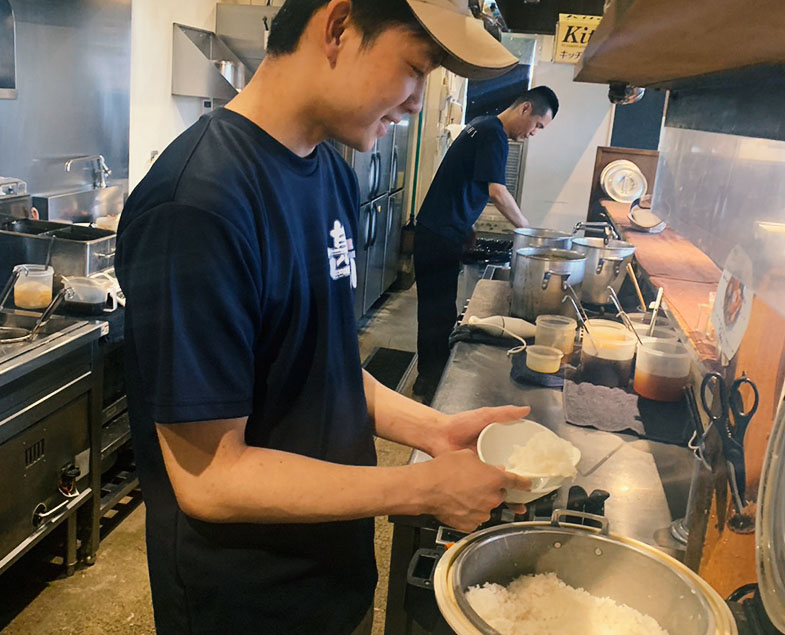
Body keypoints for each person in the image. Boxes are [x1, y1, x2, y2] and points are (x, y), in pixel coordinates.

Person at [114, 1, 533, 633]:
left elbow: (322, 366)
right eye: (417, 68)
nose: (419, 100)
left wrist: (434, 433)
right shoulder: (198, 207)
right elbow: (211, 479)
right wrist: (421, 490)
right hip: (249, 604)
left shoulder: (330, 172)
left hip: (335, 574)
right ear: (337, 27)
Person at [413, 86, 559, 400]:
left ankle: (428, 378)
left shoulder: (483, 124)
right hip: (440, 234)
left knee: (435, 310)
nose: (533, 133)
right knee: (437, 312)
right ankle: (430, 385)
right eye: (537, 125)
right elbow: (497, 192)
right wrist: (529, 233)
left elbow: (464, 181)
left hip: (439, 229)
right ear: (525, 109)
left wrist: (468, 227)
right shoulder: (493, 134)